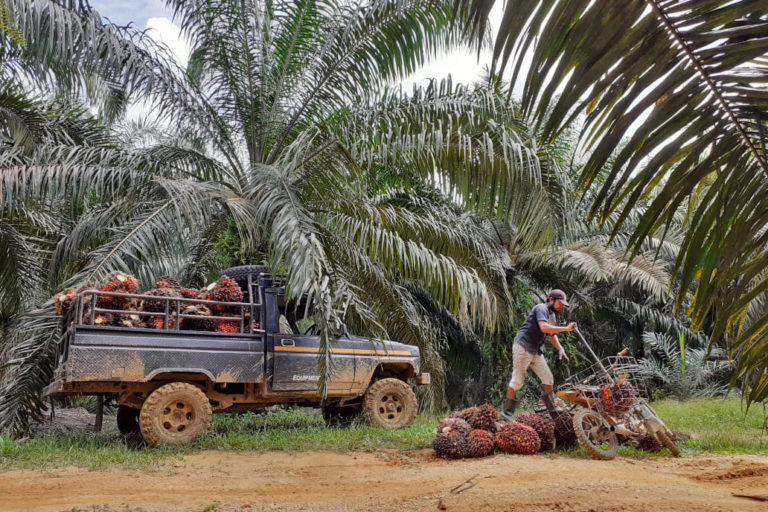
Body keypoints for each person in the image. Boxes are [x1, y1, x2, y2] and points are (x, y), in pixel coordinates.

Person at [501, 289, 576, 421]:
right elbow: (544, 328)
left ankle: (552, 408)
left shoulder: (551, 316)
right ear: (551, 300)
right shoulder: (541, 308)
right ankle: (507, 412)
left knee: (548, 378)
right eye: (560, 303)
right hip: (523, 347)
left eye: (563, 304)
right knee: (517, 380)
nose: (561, 306)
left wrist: (560, 349)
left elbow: (551, 335)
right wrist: (566, 329)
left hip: (535, 350)